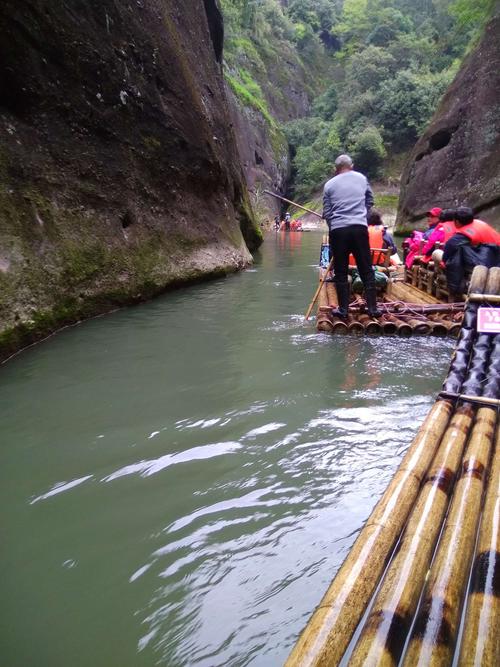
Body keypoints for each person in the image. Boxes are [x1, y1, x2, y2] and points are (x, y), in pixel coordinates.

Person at [322, 153, 381, 318]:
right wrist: (361, 214)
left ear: (336, 169)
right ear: (351, 165)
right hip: (359, 228)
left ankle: (343, 310)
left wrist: (334, 227)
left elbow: (327, 213)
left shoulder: (329, 185)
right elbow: (370, 200)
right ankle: (373, 309)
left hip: (338, 231)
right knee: (366, 269)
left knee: (340, 271)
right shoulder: (362, 178)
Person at [438, 206, 500, 298]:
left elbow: (450, 246)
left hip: (488, 262)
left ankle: (458, 290)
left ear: (457, 221)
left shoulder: (464, 234)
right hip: (495, 255)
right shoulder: (479, 223)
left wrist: (444, 261)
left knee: (448, 255)